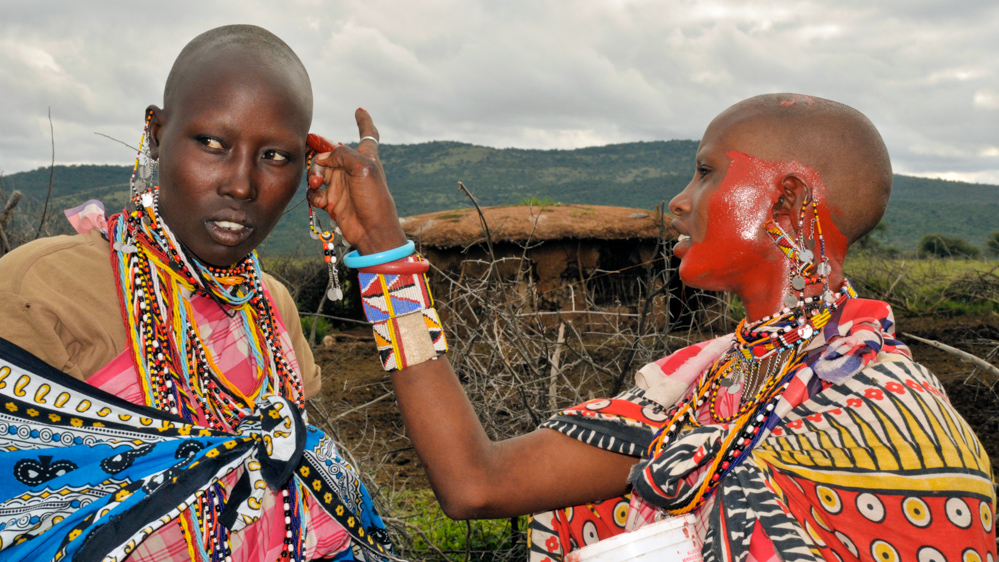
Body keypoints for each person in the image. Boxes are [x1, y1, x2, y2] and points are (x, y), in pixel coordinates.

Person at [306, 93, 997, 560]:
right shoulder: (702, 386)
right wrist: (382, 250)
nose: (677, 201)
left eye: (704, 173)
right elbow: (474, 480)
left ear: (787, 199)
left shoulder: (891, 419)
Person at [0, 25, 400, 561]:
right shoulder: (43, 289)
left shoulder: (273, 308)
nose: (241, 185)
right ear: (158, 133)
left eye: (276, 156)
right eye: (212, 143)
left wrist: (382, 242)